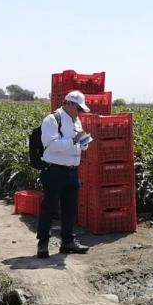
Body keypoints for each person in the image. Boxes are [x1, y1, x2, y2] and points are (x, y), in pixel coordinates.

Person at [36, 90, 91, 258]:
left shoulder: (76, 120)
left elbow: (82, 146)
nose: (80, 112)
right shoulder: (52, 119)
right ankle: (43, 243)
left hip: (72, 170)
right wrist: (74, 140)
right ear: (69, 103)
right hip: (54, 170)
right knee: (49, 208)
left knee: (69, 208)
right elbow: (51, 145)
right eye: (79, 108)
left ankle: (67, 242)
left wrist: (84, 142)